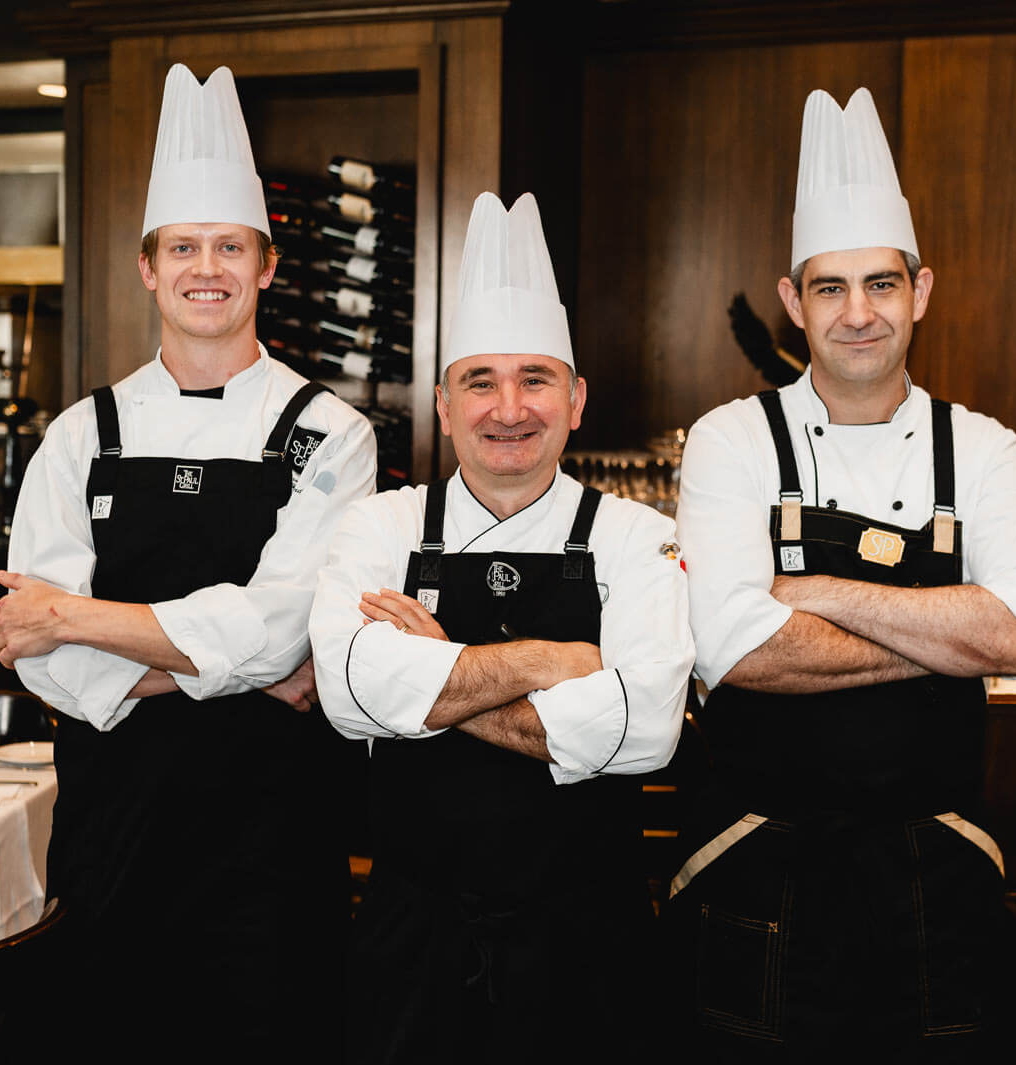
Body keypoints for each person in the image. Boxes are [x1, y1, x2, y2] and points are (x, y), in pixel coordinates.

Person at [0, 63, 375, 1056]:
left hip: (273, 839)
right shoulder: (84, 433)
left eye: (230, 246)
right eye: (185, 247)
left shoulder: (326, 431)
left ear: (268, 265)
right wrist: (242, 667)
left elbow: (289, 622)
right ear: (148, 268)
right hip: (112, 828)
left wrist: (77, 615)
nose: (208, 266)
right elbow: (46, 665)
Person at [669, 87, 1016, 1061]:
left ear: (920, 291)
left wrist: (812, 593)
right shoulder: (731, 439)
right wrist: (942, 636)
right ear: (793, 301)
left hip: (938, 876)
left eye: (880, 285)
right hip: (758, 866)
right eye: (830, 288)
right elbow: (731, 649)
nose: (856, 314)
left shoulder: (979, 447)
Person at [310, 191, 694, 1064]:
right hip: (415, 941)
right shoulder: (382, 527)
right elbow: (347, 693)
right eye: (480, 380)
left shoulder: (637, 537)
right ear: (443, 403)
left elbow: (644, 730)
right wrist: (552, 662)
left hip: (591, 946)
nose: (508, 406)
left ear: (577, 399)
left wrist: (435, 673)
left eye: (536, 379)